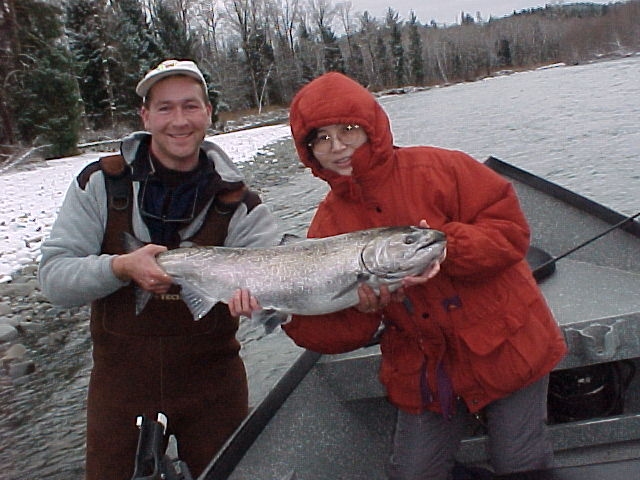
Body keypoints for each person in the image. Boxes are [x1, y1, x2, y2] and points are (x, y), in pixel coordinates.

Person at [235, 72, 568, 479]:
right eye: (321, 138)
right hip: (424, 366)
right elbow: (334, 335)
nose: (337, 146)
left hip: (508, 347)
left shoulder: (443, 168)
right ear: (308, 152)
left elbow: (511, 234)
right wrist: (309, 310)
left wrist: (447, 245)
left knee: (521, 466)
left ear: (372, 128)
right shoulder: (326, 225)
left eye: (349, 130)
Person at [38, 59, 280, 479]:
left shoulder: (241, 203)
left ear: (208, 112)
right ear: (145, 116)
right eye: (165, 108)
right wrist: (119, 267)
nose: (179, 121)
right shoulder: (100, 184)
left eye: (190, 106)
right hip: (120, 390)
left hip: (214, 386)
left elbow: (284, 281)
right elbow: (53, 280)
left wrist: (262, 304)